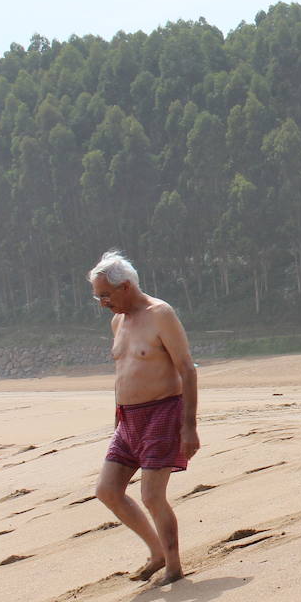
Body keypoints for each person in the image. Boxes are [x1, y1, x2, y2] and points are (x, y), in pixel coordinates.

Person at [89, 250, 199, 584]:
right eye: (97, 296)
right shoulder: (117, 321)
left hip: (163, 413)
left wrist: (189, 427)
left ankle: (174, 567)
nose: (102, 303)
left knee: (152, 495)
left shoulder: (160, 314)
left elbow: (187, 369)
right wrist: (118, 422)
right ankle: (157, 553)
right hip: (127, 419)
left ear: (125, 287)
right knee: (107, 491)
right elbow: (124, 373)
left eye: (105, 295)